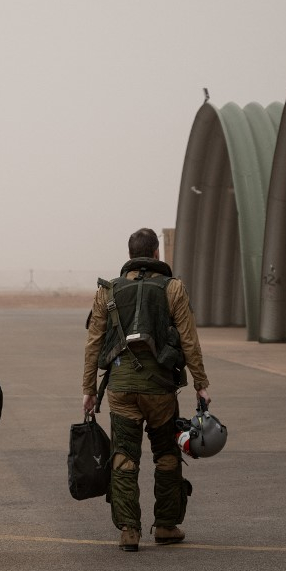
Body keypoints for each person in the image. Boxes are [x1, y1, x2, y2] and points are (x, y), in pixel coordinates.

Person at [81, 228, 211, 551]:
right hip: (160, 391)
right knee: (166, 454)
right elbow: (189, 340)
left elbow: (93, 343)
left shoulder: (108, 291)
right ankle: (166, 525)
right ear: (156, 254)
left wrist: (88, 389)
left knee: (124, 456)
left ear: (130, 255)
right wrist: (201, 384)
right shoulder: (173, 288)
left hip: (120, 389)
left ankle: (129, 531)